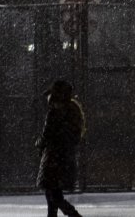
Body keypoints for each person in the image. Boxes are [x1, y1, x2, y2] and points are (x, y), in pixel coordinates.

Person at [36, 79, 86, 217]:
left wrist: (39, 143)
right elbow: (73, 136)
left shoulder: (55, 112)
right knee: (53, 196)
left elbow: (47, 134)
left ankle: (75, 216)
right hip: (65, 158)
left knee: (54, 196)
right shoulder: (73, 111)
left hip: (53, 159)